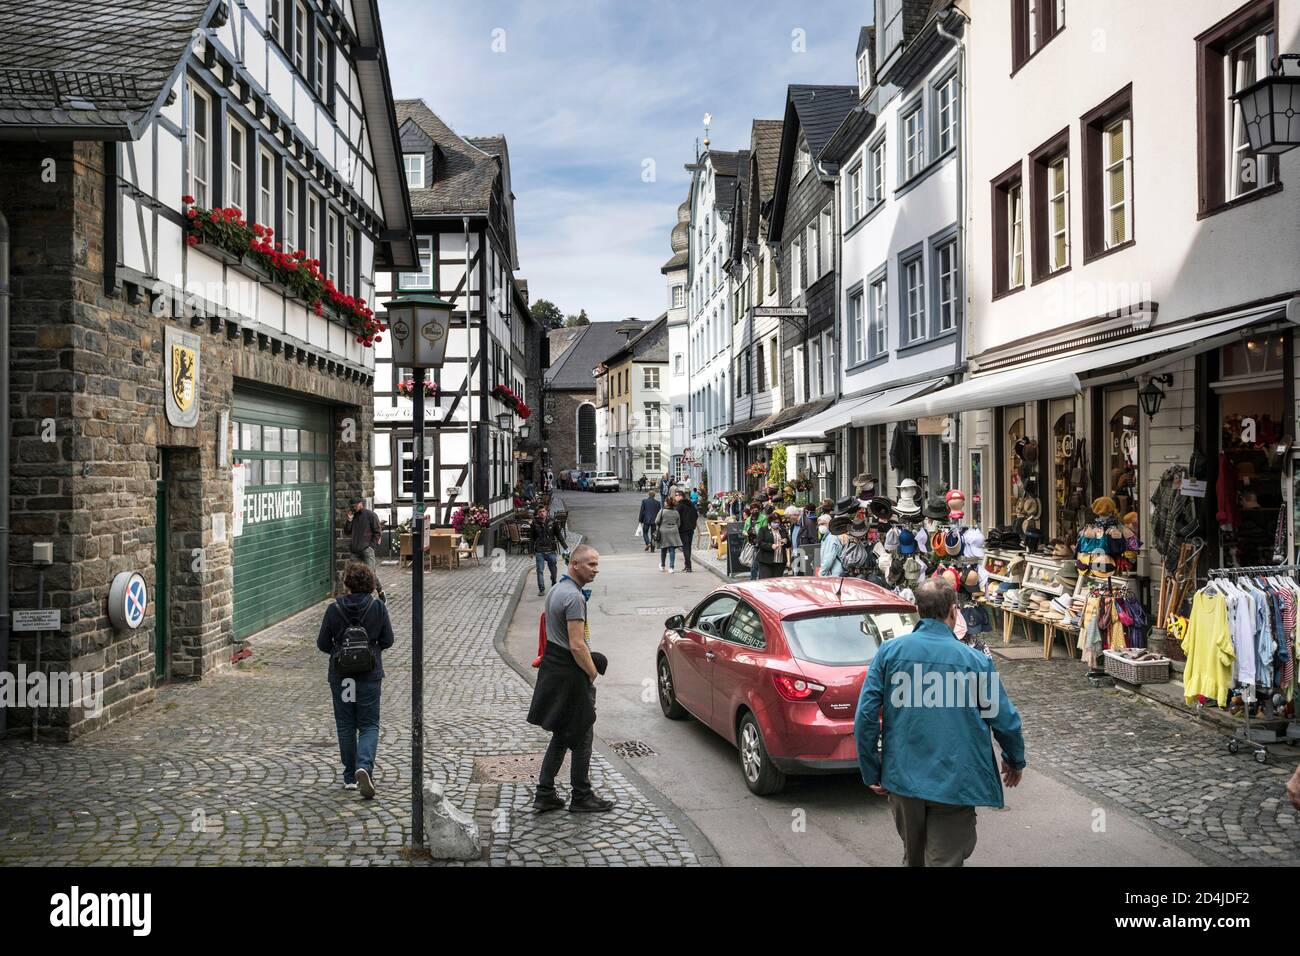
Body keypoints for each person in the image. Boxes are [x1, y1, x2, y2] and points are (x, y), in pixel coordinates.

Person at [854, 579, 1026, 867]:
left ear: (918, 610)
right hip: (954, 781)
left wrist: (872, 769)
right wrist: (1014, 759)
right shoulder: (975, 661)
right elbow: (1005, 720)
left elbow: (866, 716)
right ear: (954, 611)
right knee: (944, 861)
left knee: (914, 859)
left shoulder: (889, 653)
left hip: (903, 778)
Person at [527, 545, 614, 813]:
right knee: (582, 734)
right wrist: (591, 672)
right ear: (574, 564)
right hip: (570, 673)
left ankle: (545, 792)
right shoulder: (574, 598)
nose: (596, 569)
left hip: (555, 669)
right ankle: (581, 796)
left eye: (597, 564)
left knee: (563, 735)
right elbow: (577, 645)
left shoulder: (556, 589)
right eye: (590, 564)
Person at [315, 561, 395, 799]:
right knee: (369, 725)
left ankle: (350, 776)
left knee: (346, 724)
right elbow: (388, 639)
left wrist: (341, 653)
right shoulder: (378, 607)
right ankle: (364, 766)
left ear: (347, 583)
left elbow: (321, 643)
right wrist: (371, 651)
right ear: (370, 583)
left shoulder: (334, 609)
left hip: (341, 676)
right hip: (369, 676)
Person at [344, 497, 385, 602]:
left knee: (370, 573)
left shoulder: (370, 515)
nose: (353, 508)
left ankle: (380, 592)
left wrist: (371, 547)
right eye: (352, 506)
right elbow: (347, 532)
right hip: (355, 551)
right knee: (353, 574)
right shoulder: (353, 516)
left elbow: (377, 532)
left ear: (360, 504)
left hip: (367, 550)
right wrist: (349, 520)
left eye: (355, 506)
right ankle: (355, 597)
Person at [531, 506, 567, 596]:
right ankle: (541, 589)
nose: (542, 513)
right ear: (538, 513)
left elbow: (559, 535)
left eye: (543, 511)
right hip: (539, 550)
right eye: (540, 512)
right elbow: (532, 538)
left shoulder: (552, 521)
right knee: (540, 570)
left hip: (551, 549)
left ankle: (554, 581)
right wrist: (531, 551)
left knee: (553, 569)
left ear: (546, 512)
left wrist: (565, 547)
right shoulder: (534, 523)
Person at [755, 505, 789, 579]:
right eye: (774, 522)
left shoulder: (782, 530)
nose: (776, 524)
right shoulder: (763, 530)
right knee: (766, 581)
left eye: (778, 522)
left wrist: (786, 541)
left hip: (780, 561)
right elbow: (759, 543)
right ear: (770, 522)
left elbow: (789, 544)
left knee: (777, 582)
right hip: (766, 561)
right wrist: (771, 546)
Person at [675, 489, 699, 573]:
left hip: (683, 529)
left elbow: (676, 517)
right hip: (690, 529)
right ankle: (687, 565)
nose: (675, 497)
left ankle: (688, 566)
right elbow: (696, 515)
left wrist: (678, 526)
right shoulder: (691, 504)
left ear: (681, 496)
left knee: (685, 547)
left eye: (677, 495)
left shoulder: (679, 505)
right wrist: (693, 524)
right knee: (688, 547)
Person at [656, 499, 682, 573]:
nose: (664, 502)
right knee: (672, 549)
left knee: (663, 548)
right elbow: (679, 524)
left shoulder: (662, 511)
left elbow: (657, 521)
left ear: (667, 503)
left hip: (663, 531)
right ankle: (671, 568)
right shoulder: (676, 512)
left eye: (665, 501)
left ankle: (663, 566)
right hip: (674, 531)